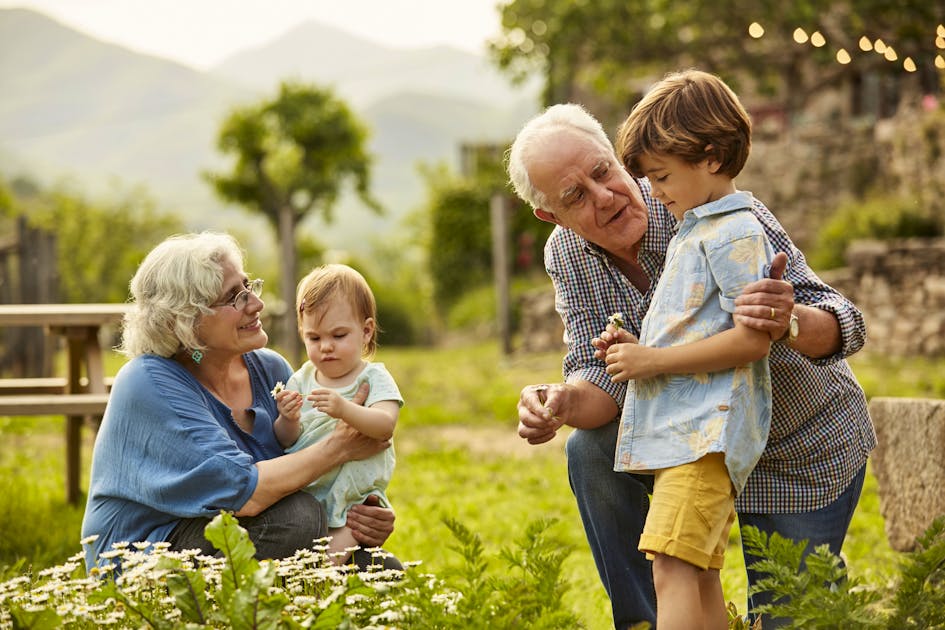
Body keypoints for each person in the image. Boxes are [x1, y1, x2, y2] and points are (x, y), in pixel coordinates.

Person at [507, 99, 875, 629]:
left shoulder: (708, 202)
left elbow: (846, 321)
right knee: (590, 450)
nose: (605, 196)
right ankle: (647, 622)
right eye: (575, 196)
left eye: (602, 171)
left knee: (793, 618)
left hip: (795, 446)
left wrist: (788, 316)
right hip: (692, 447)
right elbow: (601, 378)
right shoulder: (566, 253)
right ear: (550, 215)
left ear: (614, 154)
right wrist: (563, 401)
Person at [81, 232, 399, 572]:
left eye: (249, 287)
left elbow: (304, 463)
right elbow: (244, 493)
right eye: (235, 297)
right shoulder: (148, 382)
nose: (256, 304)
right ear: (187, 321)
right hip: (149, 554)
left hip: (246, 533)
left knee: (382, 569)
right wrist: (341, 447)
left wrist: (362, 511)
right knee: (299, 519)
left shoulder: (270, 369)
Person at [600, 69, 775, 629]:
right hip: (686, 433)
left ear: (712, 157)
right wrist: (638, 348)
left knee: (672, 567)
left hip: (706, 435)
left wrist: (652, 361)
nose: (654, 191)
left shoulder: (735, 232)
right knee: (694, 572)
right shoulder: (694, 230)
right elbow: (698, 330)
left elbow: (752, 339)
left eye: (662, 175)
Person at [273, 263, 403, 566]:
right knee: (303, 553)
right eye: (314, 338)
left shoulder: (373, 378)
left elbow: (385, 426)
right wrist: (288, 419)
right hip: (311, 488)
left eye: (339, 335)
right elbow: (284, 440)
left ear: (366, 331)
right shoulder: (301, 379)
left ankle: (315, 591)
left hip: (354, 497)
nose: (326, 347)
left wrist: (345, 408)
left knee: (325, 563)